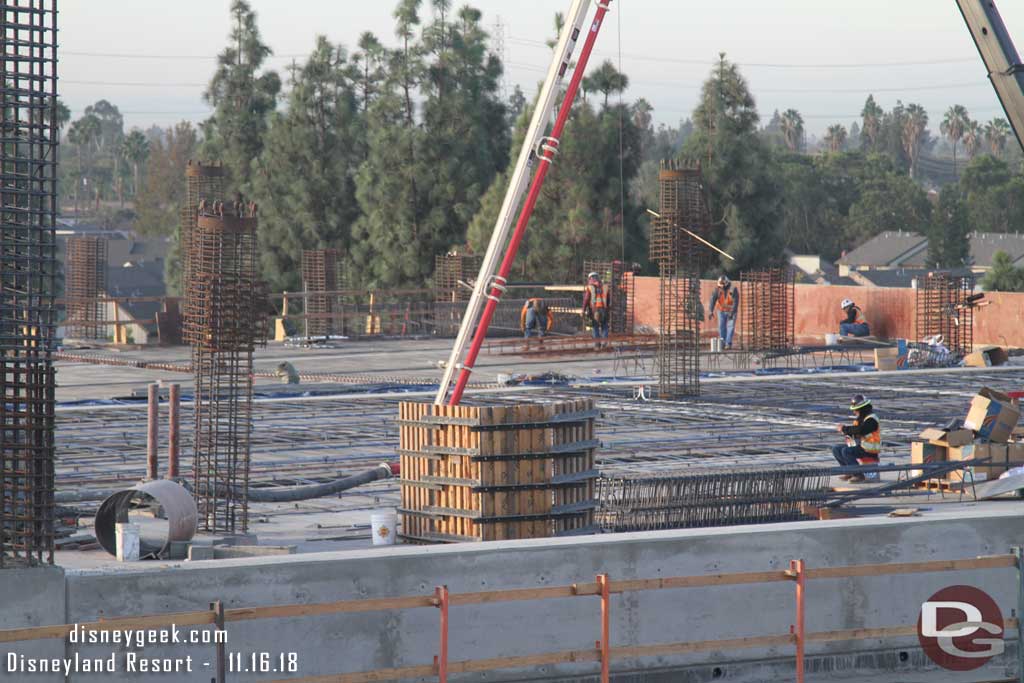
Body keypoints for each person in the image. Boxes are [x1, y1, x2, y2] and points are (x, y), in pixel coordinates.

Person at [831, 394, 881, 482]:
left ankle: (858, 475)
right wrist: (848, 434)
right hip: (861, 447)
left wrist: (845, 429)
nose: (854, 412)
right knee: (836, 449)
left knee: (846, 451)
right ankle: (849, 471)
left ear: (861, 409)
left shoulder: (871, 419)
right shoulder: (861, 419)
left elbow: (861, 430)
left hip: (869, 450)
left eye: (856, 410)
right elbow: (856, 431)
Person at [707, 275, 738, 350]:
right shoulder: (717, 290)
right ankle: (722, 343)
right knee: (721, 327)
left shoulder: (733, 289)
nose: (721, 287)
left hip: (731, 311)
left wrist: (732, 312)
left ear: (726, 283)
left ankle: (728, 343)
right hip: (721, 310)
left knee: (730, 327)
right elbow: (712, 301)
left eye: (722, 285)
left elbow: (735, 302)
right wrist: (710, 311)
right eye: (720, 286)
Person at [583, 272, 610, 346]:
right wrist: (607, 310)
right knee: (604, 326)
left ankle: (597, 344)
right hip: (604, 310)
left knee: (595, 326)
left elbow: (586, 299)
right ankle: (604, 342)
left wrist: (583, 310)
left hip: (595, 310)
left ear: (590, 278)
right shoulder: (605, 287)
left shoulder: (590, 287)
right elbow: (608, 300)